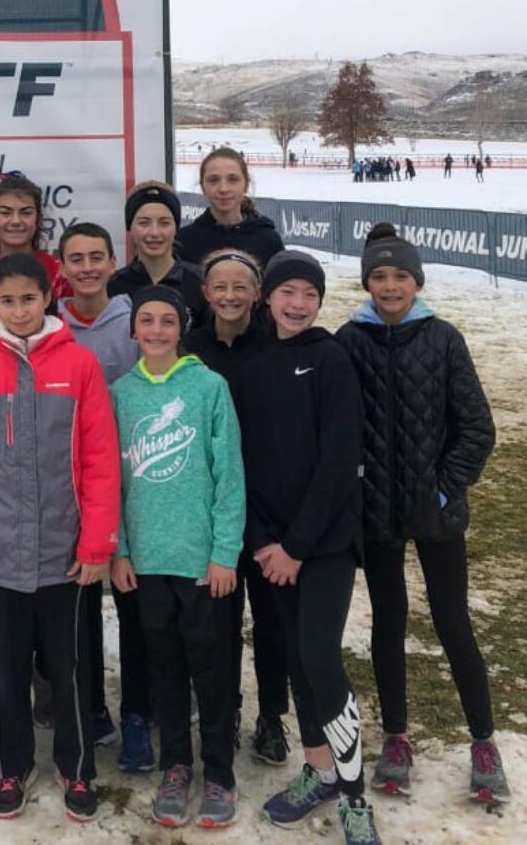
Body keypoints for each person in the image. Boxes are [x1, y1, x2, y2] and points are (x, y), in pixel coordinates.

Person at [0, 252, 120, 824]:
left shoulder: (80, 364)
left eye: (30, 299)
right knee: (8, 668)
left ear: (48, 298)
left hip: (66, 554)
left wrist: (96, 545)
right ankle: (11, 765)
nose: (19, 311)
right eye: (8, 300)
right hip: (0, 552)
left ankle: (77, 766)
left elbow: (99, 461)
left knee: (69, 667)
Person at [335, 226, 507, 805]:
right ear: (367, 283)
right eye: (379, 277)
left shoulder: (444, 339)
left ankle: (483, 741)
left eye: (400, 276)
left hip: (435, 513)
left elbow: (477, 427)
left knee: (452, 622)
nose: (389, 286)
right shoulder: (348, 341)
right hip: (376, 514)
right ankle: (397, 737)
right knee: (388, 622)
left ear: (416, 282)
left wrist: (442, 489)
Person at [235, 251, 382, 845]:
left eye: (309, 294)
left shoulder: (331, 359)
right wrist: (264, 542)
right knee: (295, 660)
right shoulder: (249, 364)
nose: (297, 303)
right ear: (266, 298)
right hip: (270, 548)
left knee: (321, 658)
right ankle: (319, 770)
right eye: (287, 291)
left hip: (321, 547)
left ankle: (353, 796)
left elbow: (339, 463)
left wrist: (295, 545)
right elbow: (241, 462)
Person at [111, 285, 244, 829]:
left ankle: (219, 773)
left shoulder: (209, 387)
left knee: (210, 671)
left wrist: (224, 552)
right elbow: (109, 480)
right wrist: (118, 549)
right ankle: (176, 766)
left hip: (200, 562)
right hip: (146, 561)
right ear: (134, 329)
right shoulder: (120, 393)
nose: (158, 330)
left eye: (168, 321)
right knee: (162, 668)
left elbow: (228, 475)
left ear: (181, 327)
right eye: (148, 321)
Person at [185, 250, 291, 765]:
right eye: (219, 287)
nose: (229, 296)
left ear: (257, 294)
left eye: (240, 287)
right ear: (206, 294)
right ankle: (221, 716)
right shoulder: (191, 349)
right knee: (217, 626)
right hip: (211, 512)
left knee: (273, 622)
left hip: (269, 510)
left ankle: (272, 716)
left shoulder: (277, 344)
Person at [56, 222, 147, 764]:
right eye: (76, 259)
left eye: (97, 257)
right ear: (62, 270)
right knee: (81, 610)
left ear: (114, 262)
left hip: (137, 483)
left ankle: (141, 707)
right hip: (74, 492)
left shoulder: (136, 320)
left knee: (135, 603)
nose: (87, 267)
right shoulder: (50, 327)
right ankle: (90, 707)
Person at [0, 172, 70, 320]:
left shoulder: (59, 272)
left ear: (38, 219)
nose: (15, 221)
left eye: (26, 213)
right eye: (5, 212)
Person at [107, 182, 207, 326]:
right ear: (130, 228)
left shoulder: (200, 281)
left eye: (164, 223)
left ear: (176, 228)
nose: (154, 232)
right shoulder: (114, 285)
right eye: (144, 223)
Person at [179, 147, 284, 269]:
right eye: (214, 180)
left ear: (246, 184)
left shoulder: (268, 241)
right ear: (202, 187)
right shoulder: (184, 241)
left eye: (233, 179)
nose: (223, 189)